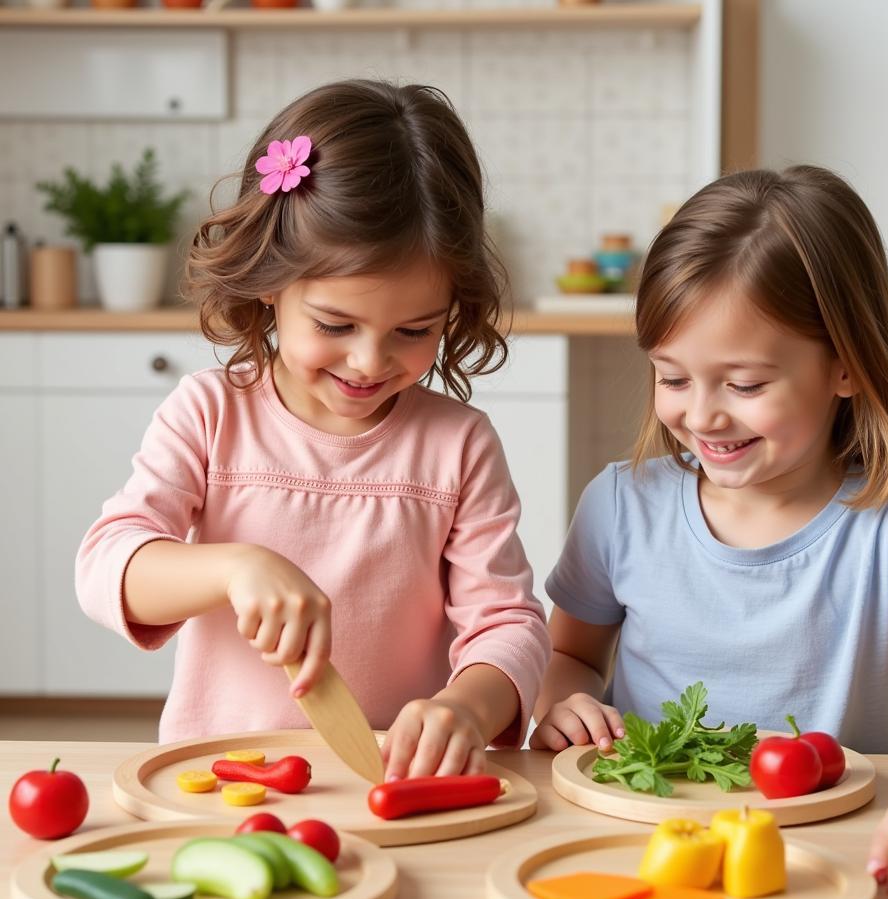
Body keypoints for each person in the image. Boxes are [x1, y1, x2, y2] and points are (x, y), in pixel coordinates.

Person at [530, 165, 888, 896]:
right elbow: (569, 656)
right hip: (638, 846)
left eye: (745, 385)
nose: (701, 416)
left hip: (827, 863)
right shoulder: (620, 505)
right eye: (672, 378)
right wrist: (558, 701)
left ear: (846, 368)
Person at [76, 80, 550, 780]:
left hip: (390, 781)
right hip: (225, 778)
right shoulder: (209, 415)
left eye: (415, 330)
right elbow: (105, 567)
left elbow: (508, 625)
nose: (369, 361)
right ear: (271, 281)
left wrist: (467, 709)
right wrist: (234, 566)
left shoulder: (458, 446)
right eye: (335, 324)